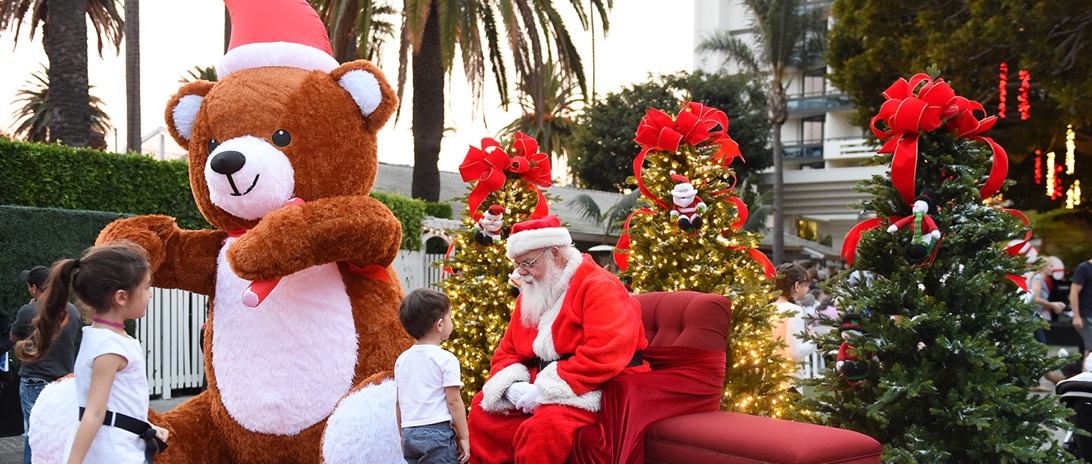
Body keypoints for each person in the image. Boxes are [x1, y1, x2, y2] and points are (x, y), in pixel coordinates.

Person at [468, 215, 649, 464]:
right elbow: (507, 350)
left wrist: (544, 390)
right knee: (481, 409)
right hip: (543, 382)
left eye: (527, 263)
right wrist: (512, 386)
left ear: (555, 253)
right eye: (518, 263)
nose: (521, 272)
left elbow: (606, 353)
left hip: (593, 387)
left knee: (545, 428)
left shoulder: (599, 286)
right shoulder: (531, 293)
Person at [14, 242, 168, 463]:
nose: (150, 294)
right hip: (115, 456)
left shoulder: (101, 337)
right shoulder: (110, 348)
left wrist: (145, 426)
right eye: (146, 287)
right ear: (121, 297)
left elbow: (115, 406)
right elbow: (94, 414)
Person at [10, 265, 82, 464]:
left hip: (34, 380)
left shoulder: (29, 310)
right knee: (58, 434)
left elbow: (14, 337)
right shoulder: (72, 310)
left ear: (34, 288)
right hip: (63, 383)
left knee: (33, 434)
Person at [395, 288, 470, 464]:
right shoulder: (446, 359)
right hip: (436, 433)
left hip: (409, 433)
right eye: (450, 317)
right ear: (439, 325)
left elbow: (399, 402)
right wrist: (465, 437)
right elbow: (454, 401)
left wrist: (403, 434)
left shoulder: (402, 360)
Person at [771, 263, 817, 368]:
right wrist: (815, 340)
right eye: (806, 285)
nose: (808, 289)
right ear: (796, 286)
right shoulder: (795, 310)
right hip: (790, 377)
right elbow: (794, 353)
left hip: (770, 374)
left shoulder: (770, 308)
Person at [1029, 257, 1067, 344]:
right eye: (1051, 266)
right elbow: (1035, 299)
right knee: (1042, 345)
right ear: (1044, 266)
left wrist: (1054, 304)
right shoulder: (1038, 278)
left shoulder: (1038, 278)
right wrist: (1052, 305)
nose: (1053, 269)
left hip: (1033, 317)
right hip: (1032, 318)